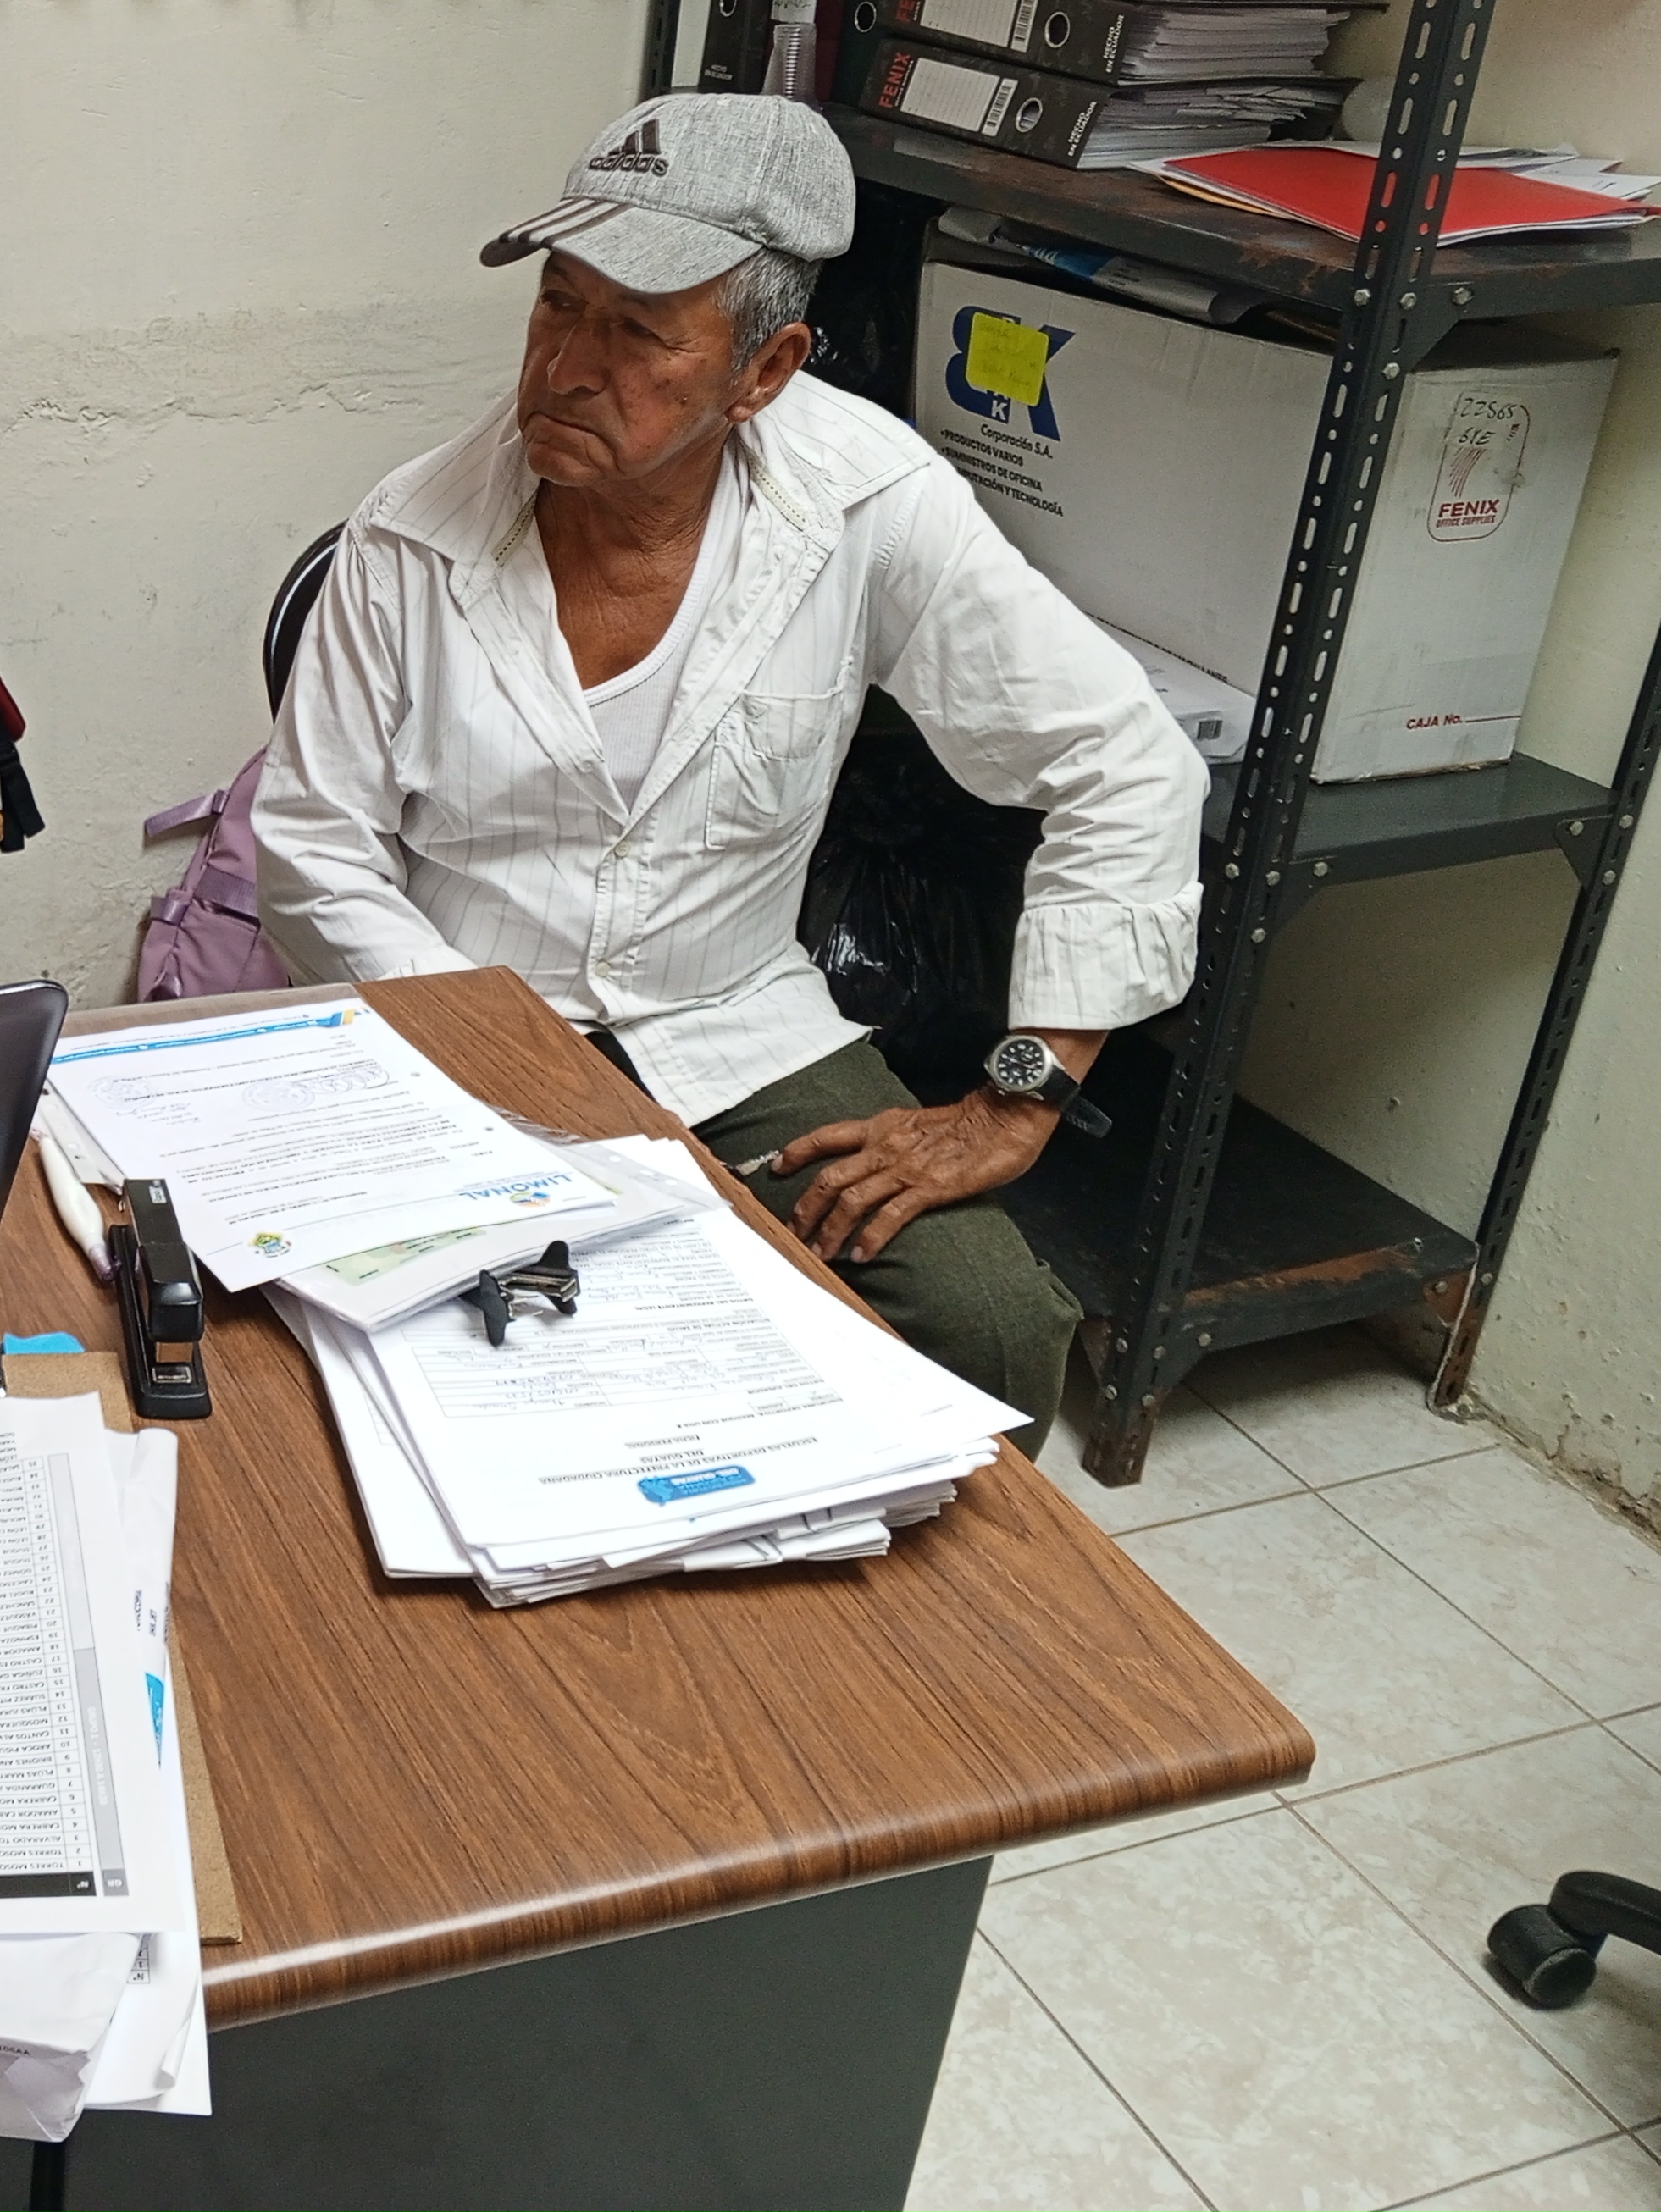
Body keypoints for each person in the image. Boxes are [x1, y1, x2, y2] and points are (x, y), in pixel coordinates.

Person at [253, 93, 1204, 1454]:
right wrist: (508, 1065)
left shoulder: (867, 502)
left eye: (638, 332)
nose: (567, 366)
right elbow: (314, 853)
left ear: (766, 371)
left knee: (991, 1332)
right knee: (449, 1377)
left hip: (732, 1036)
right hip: (456, 1035)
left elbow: (1128, 763)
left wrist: (1019, 1093)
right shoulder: (409, 538)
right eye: (558, 303)